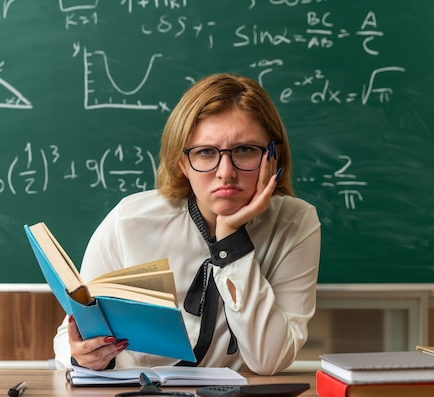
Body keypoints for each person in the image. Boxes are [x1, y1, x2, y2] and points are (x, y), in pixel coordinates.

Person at [53, 73, 321, 375]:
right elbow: (69, 337)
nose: (225, 172)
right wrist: (83, 356)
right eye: (206, 152)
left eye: (245, 150)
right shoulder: (130, 221)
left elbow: (269, 360)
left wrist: (230, 243)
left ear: (274, 156)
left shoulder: (295, 223)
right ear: (181, 162)